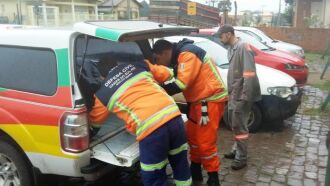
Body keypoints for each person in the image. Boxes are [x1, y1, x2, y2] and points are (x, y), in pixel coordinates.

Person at [87, 43, 192, 186]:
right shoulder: (140, 65)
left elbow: (95, 122)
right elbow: (166, 73)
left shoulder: (103, 94)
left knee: (153, 174)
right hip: (174, 117)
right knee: (180, 163)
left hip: (152, 129)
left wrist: (89, 135)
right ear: (117, 64)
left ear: (101, 75)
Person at [152, 38, 228, 186]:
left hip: (209, 101)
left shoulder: (187, 54)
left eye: (157, 59)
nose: (157, 63)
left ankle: (213, 178)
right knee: (193, 139)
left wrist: (158, 91)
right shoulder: (180, 56)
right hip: (197, 102)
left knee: (205, 142)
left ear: (165, 52)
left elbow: (182, 83)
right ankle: (196, 172)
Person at [215, 25, 261, 170]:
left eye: (221, 36)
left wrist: (245, 96)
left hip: (242, 95)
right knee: (234, 123)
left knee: (239, 126)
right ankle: (236, 150)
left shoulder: (243, 47)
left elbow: (249, 73)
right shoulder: (231, 48)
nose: (219, 39)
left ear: (228, 34)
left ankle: (241, 158)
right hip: (235, 93)